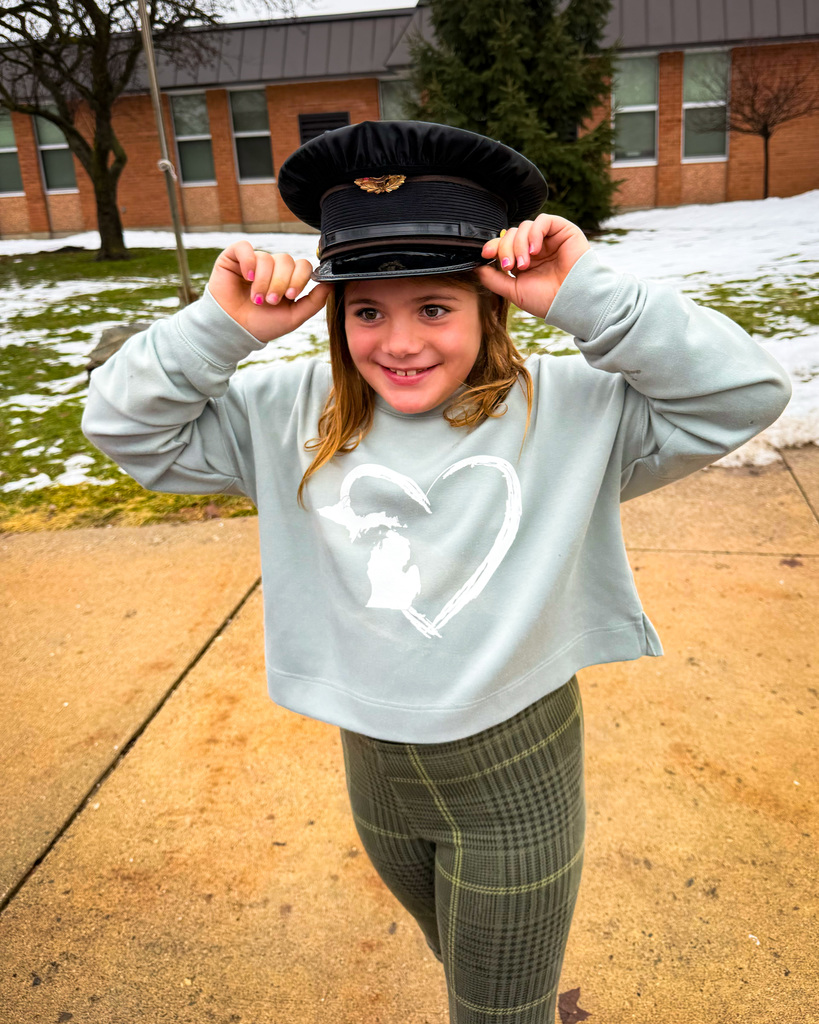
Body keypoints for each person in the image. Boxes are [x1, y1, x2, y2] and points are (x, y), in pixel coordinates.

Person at [82, 121, 791, 1023]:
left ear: (489, 306)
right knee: (467, 970)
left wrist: (587, 295)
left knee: (496, 1012)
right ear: (335, 313)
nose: (399, 343)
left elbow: (743, 392)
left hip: (515, 782)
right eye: (366, 310)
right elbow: (124, 426)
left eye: (433, 307)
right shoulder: (284, 412)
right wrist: (220, 330)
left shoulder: (569, 412)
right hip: (376, 777)